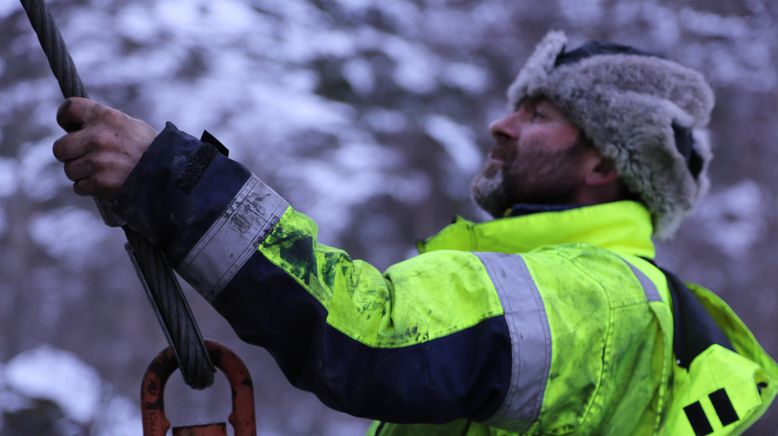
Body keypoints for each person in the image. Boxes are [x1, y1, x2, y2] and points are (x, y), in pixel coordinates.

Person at [52, 31, 776, 435]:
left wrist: (168, 177)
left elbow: (378, 337)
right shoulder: (603, 291)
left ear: (603, 163)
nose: (503, 122)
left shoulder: (600, 295)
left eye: (540, 114)